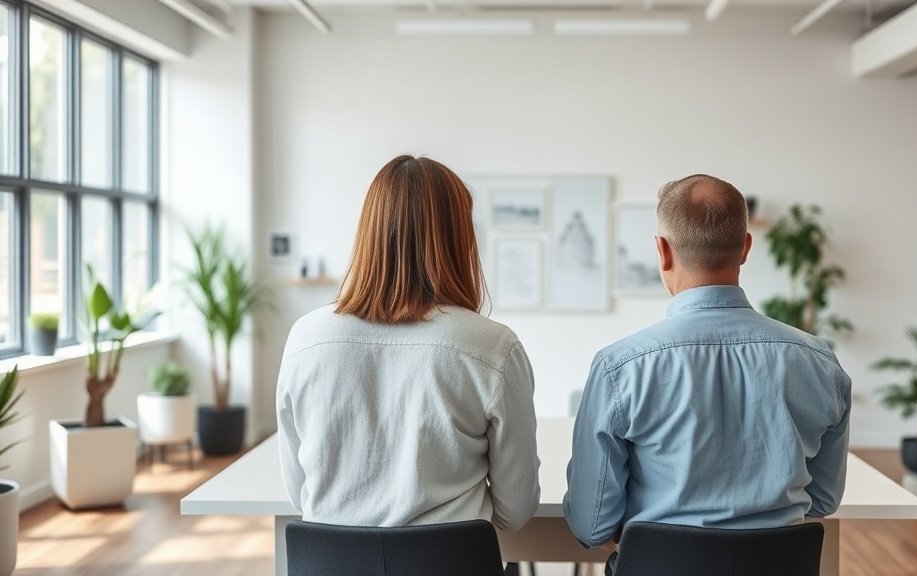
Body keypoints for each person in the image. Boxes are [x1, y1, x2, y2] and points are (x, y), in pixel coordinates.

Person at [563, 174, 852, 574]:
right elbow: (821, 502)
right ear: (746, 248)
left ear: (662, 251)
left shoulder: (621, 367)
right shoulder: (820, 362)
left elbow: (592, 525)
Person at [277, 155, 540, 538]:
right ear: (459, 240)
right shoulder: (493, 349)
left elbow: (299, 494)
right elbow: (515, 511)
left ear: (369, 234)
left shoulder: (305, 339)